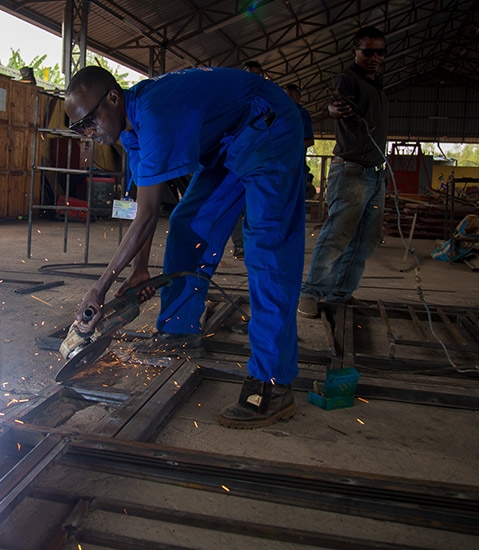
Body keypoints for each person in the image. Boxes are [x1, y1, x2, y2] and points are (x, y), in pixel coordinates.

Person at [64, 66, 305, 428]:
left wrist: (100, 288)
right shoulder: (130, 131)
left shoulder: (155, 113)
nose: (89, 132)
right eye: (80, 128)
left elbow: (145, 217)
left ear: (113, 98)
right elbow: (150, 203)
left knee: (267, 248)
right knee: (187, 224)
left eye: (90, 120)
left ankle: (274, 381)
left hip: (267, 126)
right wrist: (138, 269)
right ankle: (178, 330)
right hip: (227, 142)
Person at [298, 27, 388, 318]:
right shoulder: (347, 80)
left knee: (367, 236)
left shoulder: (376, 84)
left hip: (375, 172)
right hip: (351, 170)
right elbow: (334, 106)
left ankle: (341, 293)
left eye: (379, 52)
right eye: (368, 52)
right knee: (338, 234)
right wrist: (335, 109)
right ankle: (312, 291)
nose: (374, 58)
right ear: (355, 52)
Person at [230, 60, 266, 260]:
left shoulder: (268, 102)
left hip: (259, 163)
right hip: (237, 162)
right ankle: (240, 246)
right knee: (236, 208)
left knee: (256, 208)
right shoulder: (235, 101)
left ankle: (256, 246)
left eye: (256, 74)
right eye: (249, 74)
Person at [282, 83, 317, 199]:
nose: (287, 98)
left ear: (299, 97)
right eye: (285, 95)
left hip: (295, 166)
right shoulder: (278, 114)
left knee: (292, 199)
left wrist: (289, 148)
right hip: (279, 165)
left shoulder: (301, 114)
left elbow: (309, 141)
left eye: (291, 96)